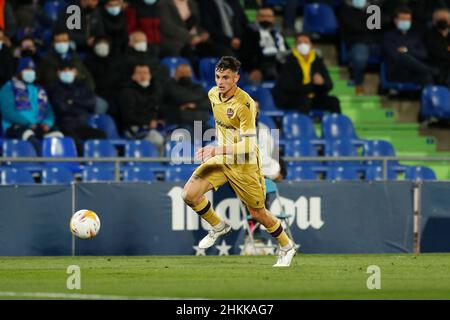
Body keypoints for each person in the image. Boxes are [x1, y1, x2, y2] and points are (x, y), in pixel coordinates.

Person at [181, 56, 296, 267]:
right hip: (222, 160)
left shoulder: (246, 104)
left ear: (236, 78)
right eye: (217, 76)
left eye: (225, 77)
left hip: (245, 165)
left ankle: (287, 246)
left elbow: (248, 146)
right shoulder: (213, 94)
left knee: (258, 213)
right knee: (188, 195)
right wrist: (218, 151)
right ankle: (218, 226)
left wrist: (216, 148)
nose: (220, 82)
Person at [0, 57, 63, 155]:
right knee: (31, 138)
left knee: (57, 136)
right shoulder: (8, 87)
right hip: (15, 126)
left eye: (32, 70)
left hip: (37, 126)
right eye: (27, 70)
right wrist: (28, 123)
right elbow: (8, 111)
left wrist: (47, 123)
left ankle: (60, 167)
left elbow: (48, 110)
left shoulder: (38, 90)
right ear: (19, 71)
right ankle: (39, 166)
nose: (30, 72)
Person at [272, 33, 341, 114]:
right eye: (300, 42)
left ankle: (337, 124)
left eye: (306, 42)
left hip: (312, 98)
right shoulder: (288, 61)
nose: (303, 45)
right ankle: (303, 125)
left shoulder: (317, 61)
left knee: (333, 101)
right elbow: (288, 86)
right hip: (292, 98)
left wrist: (322, 83)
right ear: (295, 46)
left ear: (311, 45)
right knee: (304, 100)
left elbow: (329, 85)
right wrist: (312, 86)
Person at [48, 61, 107, 154]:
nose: (67, 73)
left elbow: (91, 103)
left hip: (81, 125)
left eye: (70, 70)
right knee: (74, 143)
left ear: (75, 72)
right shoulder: (55, 88)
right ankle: (80, 165)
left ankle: (100, 165)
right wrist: (81, 106)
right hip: (63, 126)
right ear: (58, 73)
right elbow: (62, 108)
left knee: (101, 135)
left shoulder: (82, 86)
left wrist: (73, 101)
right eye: (64, 70)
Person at [383, 6, 436, 86]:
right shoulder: (388, 36)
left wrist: (408, 50)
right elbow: (395, 56)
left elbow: (424, 54)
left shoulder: (415, 36)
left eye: (408, 19)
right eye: (403, 19)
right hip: (397, 71)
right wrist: (409, 53)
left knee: (426, 76)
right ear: (395, 20)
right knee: (404, 57)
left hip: (415, 71)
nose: (406, 22)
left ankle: (429, 97)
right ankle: (432, 71)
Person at [119, 63, 165, 153]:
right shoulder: (128, 93)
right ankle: (159, 166)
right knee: (157, 139)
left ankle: (173, 166)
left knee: (176, 137)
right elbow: (128, 117)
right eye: (139, 73)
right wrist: (148, 122)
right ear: (133, 76)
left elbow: (161, 110)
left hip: (154, 127)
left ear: (150, 76)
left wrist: (161, 120)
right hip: (135, 127)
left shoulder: (155, 91)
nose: (143, 76)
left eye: (145, 73)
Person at [239, 6, 289, 84]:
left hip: (278, 67)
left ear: (273, 19)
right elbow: (244, 56)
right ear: (257, 18)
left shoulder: (277, 34)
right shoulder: (249, 33)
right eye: (262, 16)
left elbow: (286, 50)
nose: (266, 19)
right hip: (258, 68)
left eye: (269, 16)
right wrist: (254, 69)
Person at [165, 63, 211, 134]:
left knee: (217, 136)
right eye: (182, 73)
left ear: (191, 74)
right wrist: (198, 100)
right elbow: (179, 97)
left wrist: (195, 105)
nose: (185, 75)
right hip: (181, 123)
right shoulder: (170, 86)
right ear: (175, 74)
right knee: (188, 136)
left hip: (200, 122)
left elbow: (208, 102)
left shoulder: (197, 87)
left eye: (187, 73)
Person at [425, 8, 450, 87]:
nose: (443, 21)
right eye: (440, 19)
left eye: (446, 19)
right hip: (437, 68)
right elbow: (437, 53)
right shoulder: (429, 36)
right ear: (434, 21)